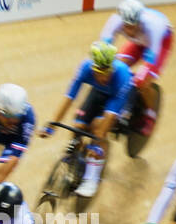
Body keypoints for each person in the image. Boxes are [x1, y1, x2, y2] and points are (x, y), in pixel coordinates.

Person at [38, 41, 133, 199]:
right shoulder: (85, 68)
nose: (103, 76)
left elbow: (110, 116)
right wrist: (52, 124)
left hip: (117, 98)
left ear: (112, 67)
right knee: (78, 125)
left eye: (107, 71)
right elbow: (69, 97)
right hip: (98, 93)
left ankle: (91, 178)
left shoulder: (121, 75)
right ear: (93, 67)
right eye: (99, 72)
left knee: (97, 129)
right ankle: (77, 159)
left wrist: (98, 141)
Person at [100, 0, 172, 137]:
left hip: (160, 43)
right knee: (114, 69)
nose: (129, 30)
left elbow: (152, 56)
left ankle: (150, 114)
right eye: (126, 26)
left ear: (140, 20)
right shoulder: (115, 21)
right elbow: (104, 48)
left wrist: (142, 74)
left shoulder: (153, 26)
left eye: (133, 26)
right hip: (138, 43)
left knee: (141, 81)